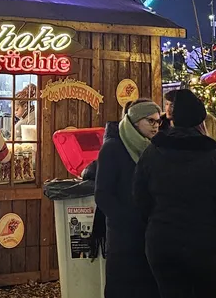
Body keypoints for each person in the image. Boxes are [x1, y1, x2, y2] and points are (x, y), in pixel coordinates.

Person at [134, 88, 216, 298]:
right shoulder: (214, 159)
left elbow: (140, 199)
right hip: (207, 247)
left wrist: (156, 225)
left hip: (162, 245)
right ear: (200, 122)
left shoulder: (152, 153)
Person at [96, 99, 163, 298]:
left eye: (158, 122)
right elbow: (103, 194)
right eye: (150, 121)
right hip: (123, 238)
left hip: (150, 234)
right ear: (135, 121)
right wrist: (127, 220)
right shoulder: (113, 148)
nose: (156, 126)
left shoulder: (154, 149)